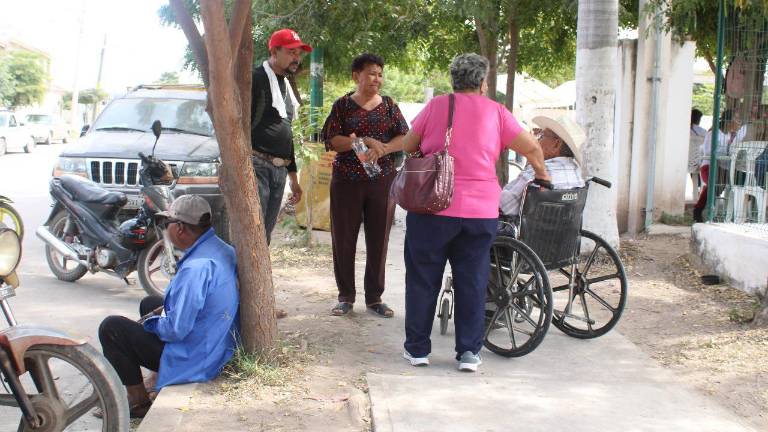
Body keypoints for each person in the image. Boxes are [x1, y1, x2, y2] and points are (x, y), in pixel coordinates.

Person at [399, 53, 549, 372]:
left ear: (453, 80)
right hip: (480, 212)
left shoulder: (437, 106)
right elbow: (533, 148)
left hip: (432, 207)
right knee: (473, 280)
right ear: (482, 83)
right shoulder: (497, 112)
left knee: (423, 277)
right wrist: (542, 175)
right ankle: (468, 352)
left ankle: (417, 350)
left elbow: (409, 144)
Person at [98, 195, 239, 418]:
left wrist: (150, 323)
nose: (165, 228)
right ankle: (155, 379)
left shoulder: (195, 269)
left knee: (112, 328)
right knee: (150, 303)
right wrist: (157, 313)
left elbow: (175, 330)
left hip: (198, 358)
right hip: (217, 342)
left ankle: (138, 400)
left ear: (180, 228)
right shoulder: (221, 248)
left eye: (167, 223)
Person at [321, 53, 409, 318]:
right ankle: (345, 297)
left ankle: (375, 298)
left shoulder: (390, 106)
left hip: (382, 181)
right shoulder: (342, 105)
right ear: (356, 76)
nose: (377, 79)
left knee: (379, 239)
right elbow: (332, 140)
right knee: (344, 239)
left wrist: (383, 149)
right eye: (371, 73)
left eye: (380, 74)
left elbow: (405, 137)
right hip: (346, 181)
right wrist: (364, 141)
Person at [251, 28, 312, 244]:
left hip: (279, 171)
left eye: (298, 53)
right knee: (253, 232)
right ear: (274, 52)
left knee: (265, 234)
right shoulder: (256, 78)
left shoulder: (285, 84)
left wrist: (293, 179)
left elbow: (287, 134)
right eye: (291, 52)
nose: (297, 58)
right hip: (257, 165)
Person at [500, 115, 585, 218]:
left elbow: (504, 206)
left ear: (556, 144)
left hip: (527, 228)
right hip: (562, 228)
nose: (537, 141)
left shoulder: (538, 172)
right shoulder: (577, 172)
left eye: (542, 136)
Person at [693, 109, 740, 222]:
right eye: (737, 119)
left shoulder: (729, 135)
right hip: (709, 167)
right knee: (715, 183)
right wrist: (725, 154)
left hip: (722, 169)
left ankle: (732, 213)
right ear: (729, 121)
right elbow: (709, 152)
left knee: (737, 179)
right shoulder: (713, 133)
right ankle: (699, 210)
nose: (739, 122)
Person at [689, 108, 706, 199]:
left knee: (692, 162)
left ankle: (696, 189)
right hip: (699, 162)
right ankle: (699, 187)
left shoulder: (685, 130)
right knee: (699, 162)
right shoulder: (703, 131)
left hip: (687, 162)